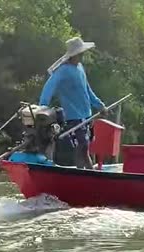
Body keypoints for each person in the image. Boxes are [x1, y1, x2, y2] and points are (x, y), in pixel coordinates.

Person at [39, 37, 108, 169]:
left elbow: (87, 90)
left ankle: (88, 172)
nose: (82, 56)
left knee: (86, 146)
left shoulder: (80, 68)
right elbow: (49, 87)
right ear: (74, 54)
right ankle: (82, 172)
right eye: (80, 54)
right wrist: (43, 106)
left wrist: (99, 105)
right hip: (73, 117)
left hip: (86, 115)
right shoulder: (62, 70)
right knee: (81, 146)